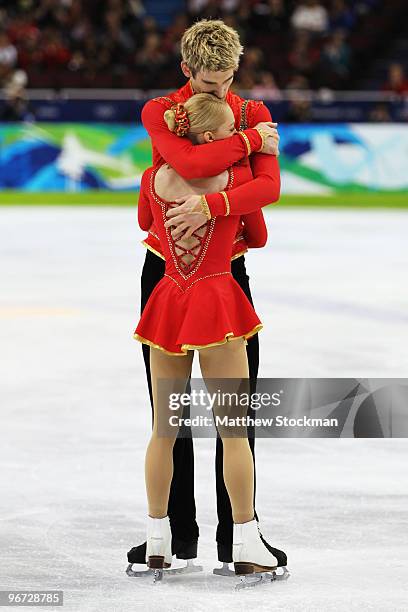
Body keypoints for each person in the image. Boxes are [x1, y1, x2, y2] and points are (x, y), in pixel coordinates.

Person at [127, 18, 285, 572]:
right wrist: (241, 149)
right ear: (187, 70)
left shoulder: (254, 110)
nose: (218, 93)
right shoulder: (162, 112)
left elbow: (272, 186)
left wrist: (211, 206)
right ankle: (177, 533)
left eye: (226, 81)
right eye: (208, 82)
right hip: (182, 277)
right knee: (177, 415)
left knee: (222, 420)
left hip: (219, 275)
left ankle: (231, 537)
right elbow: (200, 166)